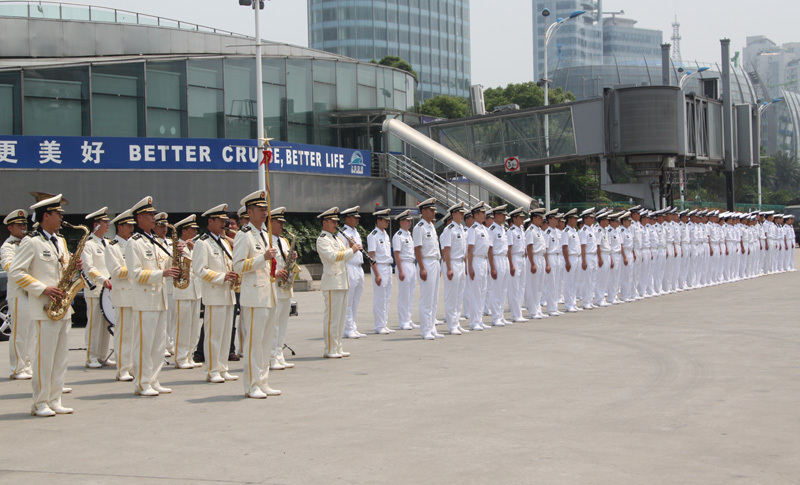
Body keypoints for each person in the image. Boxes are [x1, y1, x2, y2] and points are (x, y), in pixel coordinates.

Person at [9, 194, 77, 416]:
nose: (61, 218)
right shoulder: (32, 241)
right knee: (43, 358)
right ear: (46, 215)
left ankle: (55, 399)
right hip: (44, 307)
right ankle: (40, 402)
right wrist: (42, 289)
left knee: (60, 358)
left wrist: (74, 267)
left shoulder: (61, 241)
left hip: (62, 307)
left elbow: (62, 269)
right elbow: (17, 272)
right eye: (58, 214)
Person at [126, 197, 181, 397]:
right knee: (144, 344)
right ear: (139, 217)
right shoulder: (134, 243)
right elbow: (135, 274)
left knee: (158, 344)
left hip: (159, 299)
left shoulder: (155, 241)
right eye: (150, 214)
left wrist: (175, 256)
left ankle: (154, 379)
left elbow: (164, 264)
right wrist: (162, 274)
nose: (154, 217)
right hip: (144, 300)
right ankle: (142, 382)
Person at [232, 190, 280, 398]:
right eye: (260, 210)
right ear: (249, 212)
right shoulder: (244, 235)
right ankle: (252, 384)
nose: (264, 213)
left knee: (266, 341)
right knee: (254, 342)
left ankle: (263, 381)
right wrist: (263, 258)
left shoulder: (264, 234)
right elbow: (238, 265)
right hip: (254, 296)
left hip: (268, 294)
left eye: (265, 209)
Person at [193, 204, 239, 382]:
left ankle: (222, 367)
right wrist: (222, 277)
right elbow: (200, 270)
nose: (224, 224)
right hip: (214, 294)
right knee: (214, 334)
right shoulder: (202, 243)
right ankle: (212, 369)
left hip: (227, 293)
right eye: (220, 221)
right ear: (210, 221)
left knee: (226, 333)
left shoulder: (224, 242)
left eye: (225, 220)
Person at [316, 207, 359, 358]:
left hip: (342, 281)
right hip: (332, 282)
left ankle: (338, 346)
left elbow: (344, 257)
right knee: (332, 318)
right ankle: (329, 348)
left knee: (340, 318)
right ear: (325, 222)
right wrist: (351, 250)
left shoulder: (337, 238)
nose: (336, 224)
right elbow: (333, 256)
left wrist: (350, 248)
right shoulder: (322, 239)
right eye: (333, 221)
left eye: (336, 221)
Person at [105, 208, 136, 381]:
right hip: (123, 295)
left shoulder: (133, 244)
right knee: (124, 334)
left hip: (136, 294)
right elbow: (116, 271)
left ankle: (132, 366)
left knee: (134, 334)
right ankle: (123, 368)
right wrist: (136, 270)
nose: (132, 229)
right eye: (129, 226)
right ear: (120, 226)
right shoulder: (113, 247)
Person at [81, 207, 114, 368]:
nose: (107, 224)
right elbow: (89, 268)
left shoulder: (108, 243)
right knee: (94, 324)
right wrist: (102, 280)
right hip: (96, 289)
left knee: (106, 323)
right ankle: (91, 356)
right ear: (96, 224)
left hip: (108, 290)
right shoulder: (89, 245)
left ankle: (102, 355)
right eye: (104, 222)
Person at [3, 209, 32, 380]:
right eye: (19, 225)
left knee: (31, 333)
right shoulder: (8, 247)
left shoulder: (28, 243)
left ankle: (27, 365)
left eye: (24, 224)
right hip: (19, 293)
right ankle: (17, 367)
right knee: (19, 333)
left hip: (31, 293)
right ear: (10, 228)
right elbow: (10, 268)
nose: (23, 227)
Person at [172, 215, 202, 370]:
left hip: (195, 289)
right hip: (182, 290)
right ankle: (181, 356)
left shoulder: (194, 246)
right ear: (184, 231)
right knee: (182, 326)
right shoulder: (175, 247)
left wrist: (193, 249)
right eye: (193, 229)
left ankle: (189, 355)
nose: (195, 232)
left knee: (193, 325)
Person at [270, 207, 297, 369]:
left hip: (285, 287)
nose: (282, 225)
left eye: (282, 222)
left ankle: (279, 353)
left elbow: (289, 263)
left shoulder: (284, 241)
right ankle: (272, 355)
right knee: (274, 324)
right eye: (279, 222)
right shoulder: (267, 240)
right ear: (270, 222)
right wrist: (275, 272)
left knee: (283, 322)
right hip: (273, 285)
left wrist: (293, 259)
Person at [413, 198, 443, 339]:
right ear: (423, 211)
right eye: (431, 210)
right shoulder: (420, 227)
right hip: (426, 262)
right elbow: (417, 248)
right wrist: (422, 268)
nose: (433, 213)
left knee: (434, 298)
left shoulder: (431, 226)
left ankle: (432, 327)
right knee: (426, 298)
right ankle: (425, 330)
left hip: (435, 262)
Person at [338, 206, 368, 339]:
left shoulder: (355, 232)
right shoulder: (342, 233)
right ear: (347, 218)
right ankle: (347, 328)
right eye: (354, 218)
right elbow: (342, 252)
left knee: (356, 299)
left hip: (358, 267)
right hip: (349, 266)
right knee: (349, 300)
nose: (357, 220)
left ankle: (352, 326)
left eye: (357, 218)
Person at [440, 202, 469, 334]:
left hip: (461, 263)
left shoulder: (461, 228)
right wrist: (449, 267)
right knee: (451, 295)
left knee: (459, 295)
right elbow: (446, 250)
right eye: (460, 213)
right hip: (453, 263)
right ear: (454, 214)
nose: (463, 215)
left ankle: (456, 323)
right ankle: (451, 325)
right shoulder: (449, 229)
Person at [367, 208, 395, 335]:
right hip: (380, 267)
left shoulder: (385, 234)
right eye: (385, 220)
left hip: (388, 267)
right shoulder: (373, 235)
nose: (387, 222)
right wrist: (377, 273)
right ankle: (379, 325)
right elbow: (371, 256)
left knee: (387, 297)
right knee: (380, 297)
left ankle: (384, 323)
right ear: (378, 220)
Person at [153, 212, 176, 357]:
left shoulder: (169, 242)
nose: (164, 229)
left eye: (165, 226)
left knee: (173, 317)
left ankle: (170, 343)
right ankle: (164, 344)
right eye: (160, 226)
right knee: (165, 317)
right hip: (162, 283)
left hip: (172, 283)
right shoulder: (154, 242)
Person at [466, 202, 491, 331]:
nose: (484, 215)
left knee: (482, 292)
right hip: (475, 260)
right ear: (476, 215)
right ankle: (474, 321)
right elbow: (470, 249)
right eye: (482, 213)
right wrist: (469, 267)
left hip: (483, 260)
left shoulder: (484, 230)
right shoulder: (473, 229)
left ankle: (479, 319)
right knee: (475, 292)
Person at [392, 210, 417, 331]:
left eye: (410, 221)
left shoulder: (408, 234)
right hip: (404, 265)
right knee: (404, 295)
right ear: (401, 222)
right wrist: (400, 270)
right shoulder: (398, 236)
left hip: (411, 264)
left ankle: (409, 318)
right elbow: (396, 254)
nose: (410, 223)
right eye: (407, 221)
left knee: (411, 294)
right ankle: (403, 321)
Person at [524, 208, 547, 319]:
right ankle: (533, 311)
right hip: (534, 258)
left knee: (539, 286)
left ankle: (538, 308)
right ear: (535, 218)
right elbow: (529, 248)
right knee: (533, 286)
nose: (542, 220)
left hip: (541, 258)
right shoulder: (530, 231)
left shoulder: (539, 230)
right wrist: (532, 263)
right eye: (540, 217)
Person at [507, 207, 528, 323]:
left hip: (522, 258)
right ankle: (515, 314)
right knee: (514, 287)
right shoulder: (511, 231)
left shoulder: (521, 230)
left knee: (521, 286)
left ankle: (518, 311)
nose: (522, 219)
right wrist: (511, 264)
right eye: (520, 217)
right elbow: (509, 249)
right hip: (515, 258)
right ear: (514, 219)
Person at [542, 210, 563, 317]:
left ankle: (554, 307)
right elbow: (545, 249)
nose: (557, 220)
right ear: (549, 220)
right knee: (551, 284)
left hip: (557, 257)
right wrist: (547, 264)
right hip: (550, 257)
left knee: (557, 283)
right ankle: (551, 308)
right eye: (555, 219)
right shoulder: (548, 233)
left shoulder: (556, 232)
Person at [561, 209, 581, 312]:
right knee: (569, 282)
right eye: (575, 218)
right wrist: (567, 261)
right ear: (570, 219)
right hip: (570, 258)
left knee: (575, 282)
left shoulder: (574, 231)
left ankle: (573, 303)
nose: (576, 220)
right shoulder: (566, 232)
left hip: (576, 257)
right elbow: (564, 247)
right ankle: (568, 304)